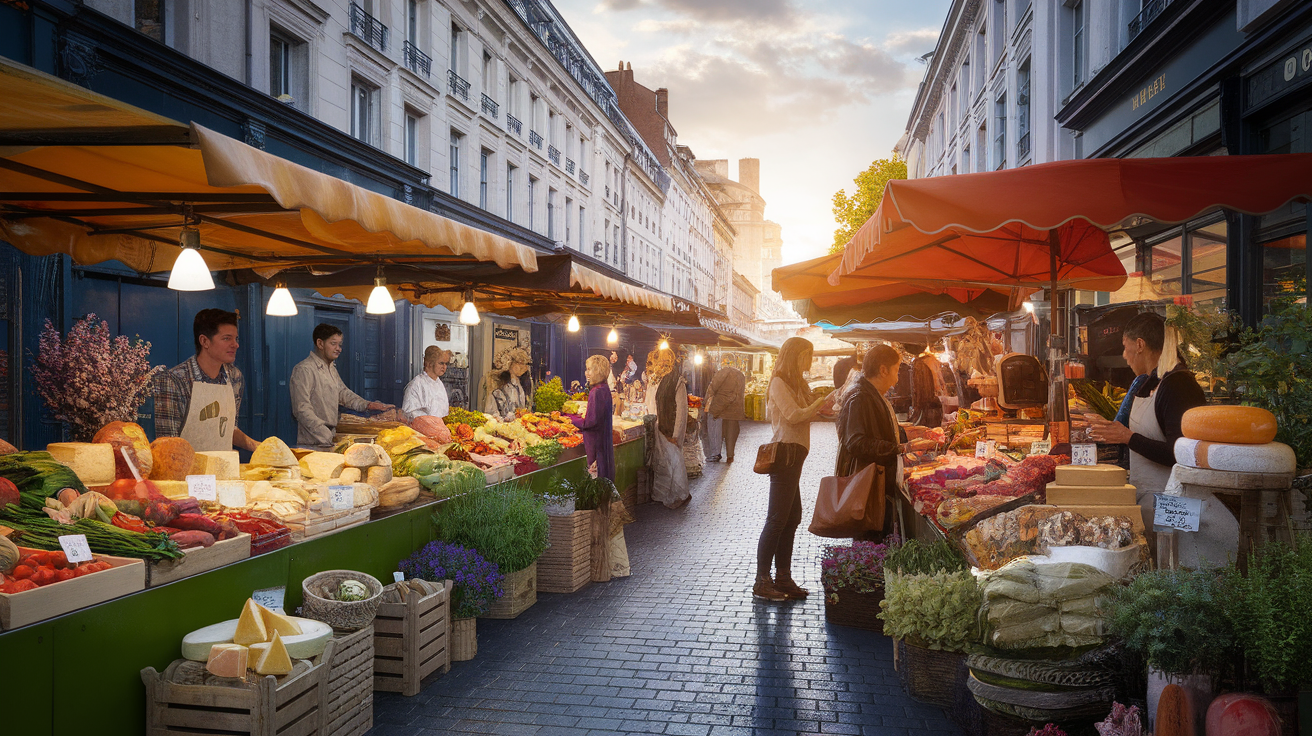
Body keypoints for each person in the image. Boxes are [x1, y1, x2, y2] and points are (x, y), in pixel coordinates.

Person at [1086, 312, 1208, 535]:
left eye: (1125, 346)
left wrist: (1127, 437)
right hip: (1153, 500)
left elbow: (1182, 453)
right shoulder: (1154, 381)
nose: (1124, 355)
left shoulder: (1179, 386)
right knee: (1156, 560)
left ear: (1140, 344)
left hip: (1175, 504)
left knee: (1171, 562)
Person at [755, 337, 837, 602]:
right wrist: (820, 402)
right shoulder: (778, 382)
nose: (810, 361)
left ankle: (783, 577)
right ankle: (762, 582)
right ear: (794, 356)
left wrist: (830, 407)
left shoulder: (796, 383)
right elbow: (793, 415)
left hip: (796, 457)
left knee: (791, 518)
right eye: (806, 355)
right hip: (785, 455)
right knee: (777, 519)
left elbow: (807, 414)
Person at [154, 309, 260, 452]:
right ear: (204, 341)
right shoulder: (174, 380)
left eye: (236, 339)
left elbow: (229, 429)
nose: (235, 345)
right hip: (186, 470)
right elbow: (167, 444)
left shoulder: (235, 377)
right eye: (227, 338)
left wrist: (258, 447)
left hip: (224, 467)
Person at [836, 345, 909, 542]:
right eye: (896, 369)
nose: (898, 376)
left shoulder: (872, 394)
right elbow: (857, 443)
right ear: (883, 370)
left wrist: (907, 433)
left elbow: (879, 429)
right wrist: (899, 448)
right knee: (870, 541)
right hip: (867, 489)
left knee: (877, 537)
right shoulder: (860, 397)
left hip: (878, 484)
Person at [290, 324, 393, 447]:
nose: (339, 349)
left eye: (340, 344)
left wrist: (368, 405)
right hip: (312, 442)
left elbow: (343, 393)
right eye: (333, 344)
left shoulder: (331, 368)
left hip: (329, 438)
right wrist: (325, 434)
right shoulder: (304, 369)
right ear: (320, 344)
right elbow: (301, 409)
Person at [649, 348, 691, 509]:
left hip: (669, 429)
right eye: (661, 358)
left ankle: (680, 494)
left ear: (672, 361)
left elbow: (681, 410)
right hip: (656, 426)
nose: (664, 361)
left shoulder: (677, 380)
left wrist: (676, 434)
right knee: (661, 463)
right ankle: (661, 494)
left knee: (674, 462)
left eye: (668, 358)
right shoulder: (653, 379)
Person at [574, 355, 615, 481]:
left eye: (589, 369)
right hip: (603, 442)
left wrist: (571, 419)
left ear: (598, 371)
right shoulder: (604, 388)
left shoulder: (596, 392)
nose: (586, 373)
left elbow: (590, 422)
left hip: (595, 444)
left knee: (595, 479)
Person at [705, 355, 746, 463]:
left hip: (721, 407)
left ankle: (716, 454)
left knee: (715, 429)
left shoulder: (724, 372)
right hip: (735, 410)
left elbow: (713, 387)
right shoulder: (741, 375)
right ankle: (730, 455)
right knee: (732, 433)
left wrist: (707, 400)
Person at [483, 347, 532, 420]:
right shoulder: (498, 384)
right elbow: (491, 412)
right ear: (510, 363)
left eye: (526, 364)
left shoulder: (520, 383)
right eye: (520, 363)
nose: (524, 367)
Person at [402, 346, 451, 419]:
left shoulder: (439, 383)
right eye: (441, 363)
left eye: (446, 364)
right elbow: (408, 414)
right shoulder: (417, 384)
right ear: (430, 363)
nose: (444, 367)